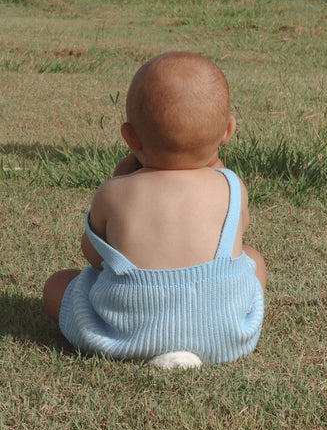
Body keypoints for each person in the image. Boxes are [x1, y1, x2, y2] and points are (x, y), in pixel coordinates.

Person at [43, 52, 266, 365]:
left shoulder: (113, 192)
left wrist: (122, 177)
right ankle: (202, 339)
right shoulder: (232, 187)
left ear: (130, 136)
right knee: (253, 258)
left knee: (58, 285)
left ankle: (151, 344)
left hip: (128, 337)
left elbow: (93, 258)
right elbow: (235, 242)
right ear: (228, 130)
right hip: (222, 336)